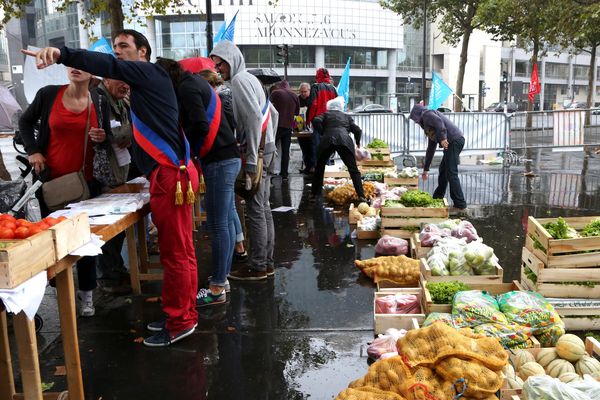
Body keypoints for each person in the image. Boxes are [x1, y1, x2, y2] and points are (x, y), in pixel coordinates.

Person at [22, 29, 200, 347]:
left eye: (124, 46)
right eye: (115, 47)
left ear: (143, 51)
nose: (117, 52)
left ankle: (181, 320)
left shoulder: (145, 71)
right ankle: (180, 314)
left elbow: (108, 67)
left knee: (177, 254)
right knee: (180, 252)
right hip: (172, 174)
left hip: (170, 176)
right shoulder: (147, 80)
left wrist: (62, 54)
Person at [19, 67, 112, 317]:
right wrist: (33, 151)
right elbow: (25, 121)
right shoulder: (48, 95)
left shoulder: (100, 101)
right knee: (55, 240)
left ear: (93, 74)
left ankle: (87, 294)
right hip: (52, 181)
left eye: (82, 65)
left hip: (86, 182)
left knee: (85, 239)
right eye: (71, 64)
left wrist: (103, 137)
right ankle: (61, 289)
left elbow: (110, 135)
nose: (76, 69)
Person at [155, 58, 240, 307]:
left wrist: (185, 151)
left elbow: (200, 125)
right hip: (225, 158)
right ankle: (222, 280)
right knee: (224, 221)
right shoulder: (194, 83)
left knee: (217, 224)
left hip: (218, 161)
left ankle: (216, 288)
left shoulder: (187, 88)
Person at [209, 40, 278, 281]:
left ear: (231, 59)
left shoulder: (239, 81)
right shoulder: (249, 79)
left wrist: (250, 160)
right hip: (264, 149)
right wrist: (268, 142)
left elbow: (251, 121)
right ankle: (266, 262)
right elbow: (272, 114)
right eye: (216, 65)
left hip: (256, 153)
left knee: (256, 209)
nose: (218, 69)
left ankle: (258, 265)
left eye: (220, 64)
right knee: (263, 208)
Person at [199, 69, 247, 262]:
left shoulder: (218, 99)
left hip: (222, 154)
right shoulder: (225, 95)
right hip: (230, 152)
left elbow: (222, 126)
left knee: (222, 217)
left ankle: (223, 272)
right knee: (229, 208)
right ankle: (239, 245)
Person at [95, 77, 133, 294]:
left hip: (119, 169)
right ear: (107, 79)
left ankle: (116, 270)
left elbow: (119, 134)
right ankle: (108, 277)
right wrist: (132, 130)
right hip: (106, 173)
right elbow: (114, 134)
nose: (126, 85)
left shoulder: (120, 101)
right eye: (121, 80)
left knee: (117, 228)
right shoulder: (100, 99)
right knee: (108, 227)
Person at [409, 103, 467, 210]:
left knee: (451, 172)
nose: (416, 123)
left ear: (418, 115)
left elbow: (439, 123)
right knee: (443, 170)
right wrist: (426, 169)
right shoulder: (429, 127)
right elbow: (431, 149)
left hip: (454, 141)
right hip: (452, 142)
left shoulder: (426, 114)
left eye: (416, 120)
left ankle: (460, 204)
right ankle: (437, 198)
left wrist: (443, 138)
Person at [310, 96, 366, 203]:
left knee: (319, 168)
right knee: (353, 170)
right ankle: (361, 195)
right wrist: (358, 142)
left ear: (329, 107)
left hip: (327, 141)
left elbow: (316, 121)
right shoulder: (346, 117)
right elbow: (357, 130)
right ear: (341, 107)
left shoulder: (325, 115)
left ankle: (314, 194)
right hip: (344, 141)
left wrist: (323, 132)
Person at [307, 68, 337, 169]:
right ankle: (327, 168)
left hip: (318, 121)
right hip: (331, 121)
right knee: (328, 146)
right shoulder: (333, 88)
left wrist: (308, 120)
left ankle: (318, 170)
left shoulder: (315, 87)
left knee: (317, 146)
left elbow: (313, 104)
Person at [270, 80, 299, 180]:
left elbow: (267, 107)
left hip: (276, 126)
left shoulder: (275, 93)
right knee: (285, 151)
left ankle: (271, 171)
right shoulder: (294, 95)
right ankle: (284, 174)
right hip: (288, 126)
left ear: (279, 86)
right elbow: (297, 113)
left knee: (271, 149)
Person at [297, 82, 314, 173]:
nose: (303, 93)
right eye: (301, 92)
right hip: (300, 127)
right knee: (304, 148)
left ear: (309, 91)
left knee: (311, 147)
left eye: (305, 91)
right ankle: (307, 166)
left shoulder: (312, 99)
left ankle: (312, 166)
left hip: (311, 127)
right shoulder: (298, 99)